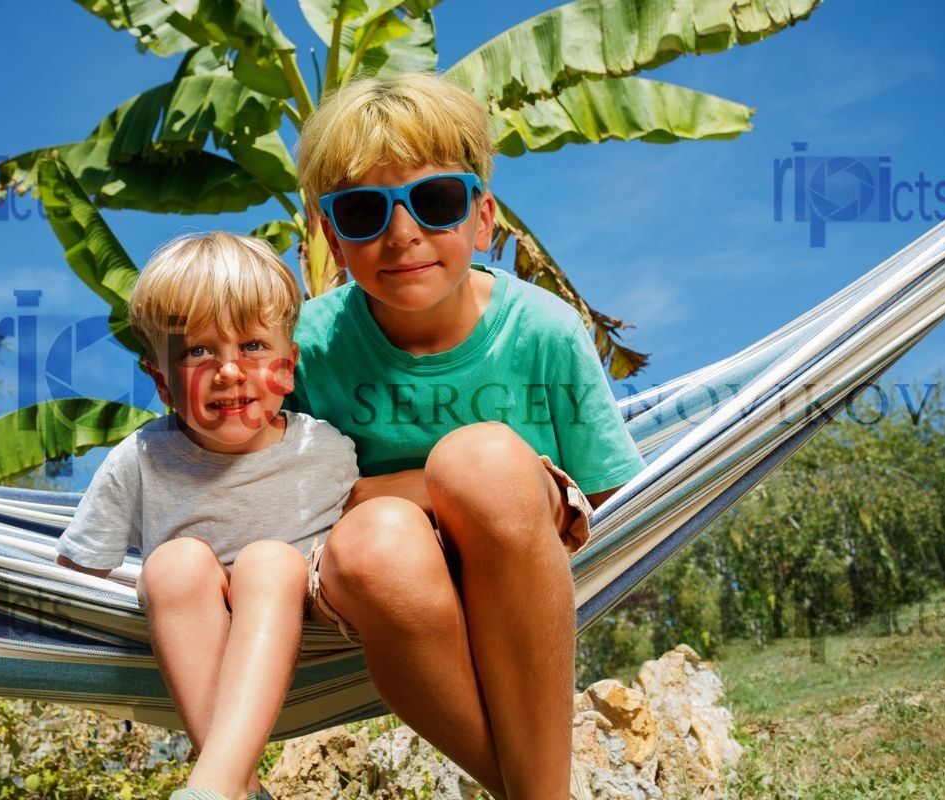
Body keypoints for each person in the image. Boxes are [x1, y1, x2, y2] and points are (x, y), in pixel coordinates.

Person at [290, 72, 649, 800]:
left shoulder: (543, 329)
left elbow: (617, 501)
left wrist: (455, 490)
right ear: (332, 237)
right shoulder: (306, 351)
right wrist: (417, 495)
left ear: (483, 220)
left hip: (527, 569)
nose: (402, 233)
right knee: (375, 540)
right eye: (362, 211)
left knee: (480, 460)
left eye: (436, 200)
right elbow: (282, 502)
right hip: (389, 591)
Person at [54, 231, 359, 800]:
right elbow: (76, 578)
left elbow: (366, 538)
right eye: (198, 351)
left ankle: (217, 784)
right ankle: (234, 786)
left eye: (252, 346)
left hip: (306, 632)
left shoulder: (328, 451)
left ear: (288, 368)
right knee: (173, 564)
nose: (228, 371)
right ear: (162, 381)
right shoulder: (139, 460)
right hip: (192, 636)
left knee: (268, 563)